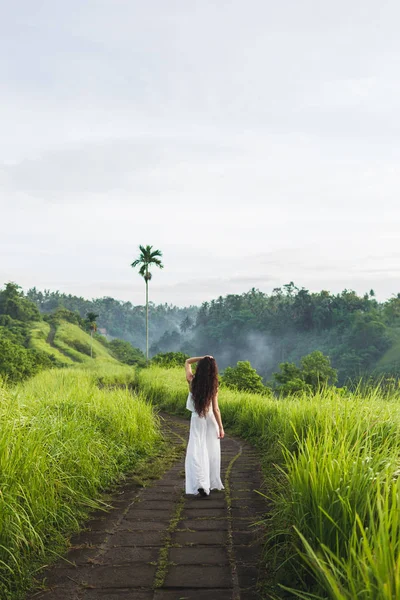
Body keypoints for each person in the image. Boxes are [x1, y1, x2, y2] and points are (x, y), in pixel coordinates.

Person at [184, 355, 224, 497]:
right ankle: (208, 483)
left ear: (200, 368)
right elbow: (216, 409)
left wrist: (203, 357)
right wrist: (220, 427)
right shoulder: (214, 386)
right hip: (210, 420)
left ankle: (201, 483)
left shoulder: (192, 381)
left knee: (197, 450)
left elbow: (188, 361)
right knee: (211, 452)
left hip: (197, 420)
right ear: (213, 370)